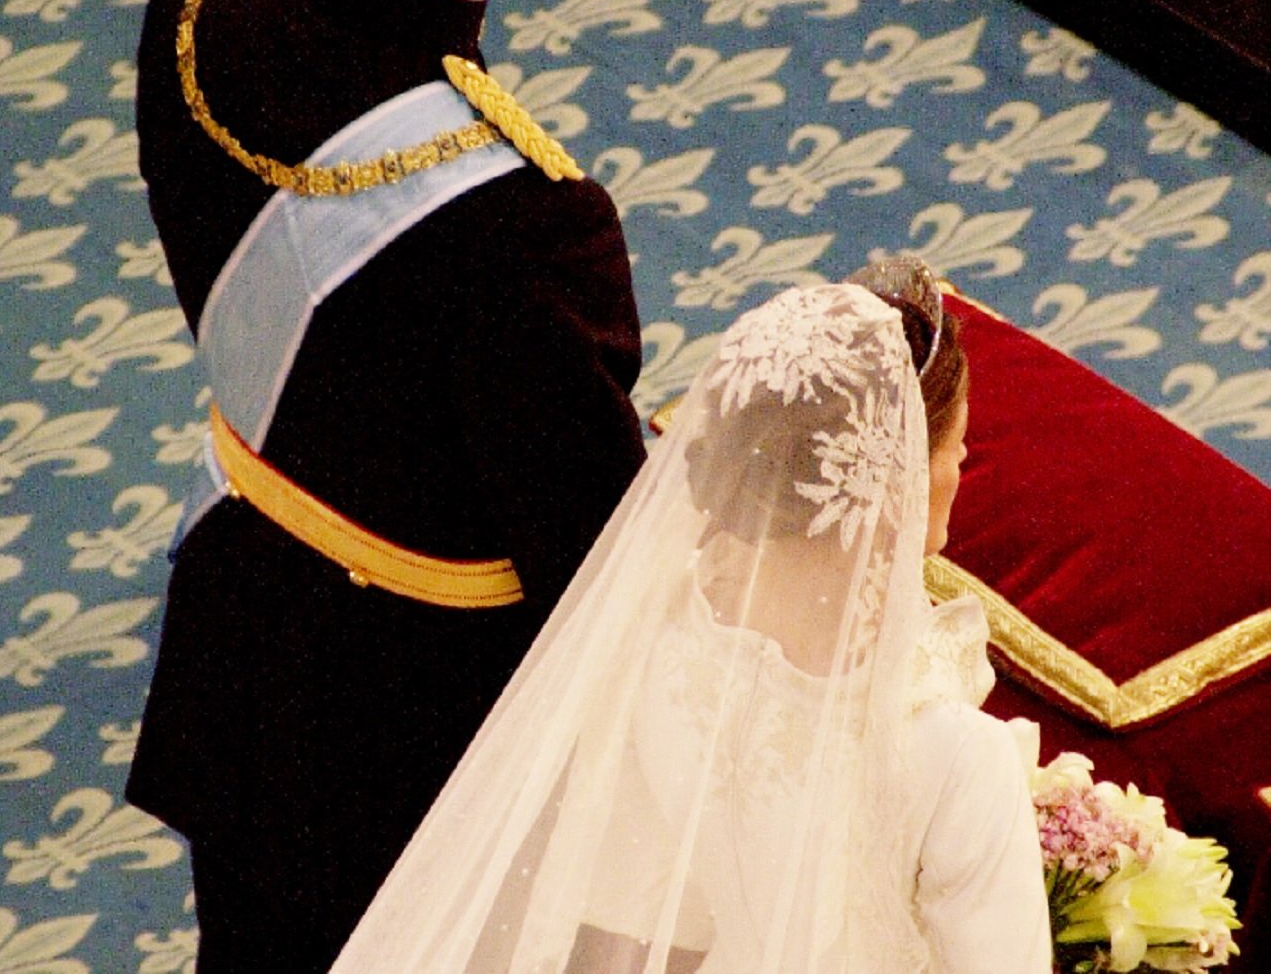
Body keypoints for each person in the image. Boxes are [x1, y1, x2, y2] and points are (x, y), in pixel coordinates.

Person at [125, 0, 646, 971]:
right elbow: (590, 555)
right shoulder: (530, 217)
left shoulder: (207, 0)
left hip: (239, 636)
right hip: (415, 727)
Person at [332, 264, 1053, 972]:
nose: (962, 465)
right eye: (956, 448)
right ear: (894, 483)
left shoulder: (664, 626)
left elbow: (628, 894)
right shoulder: (958, 756)